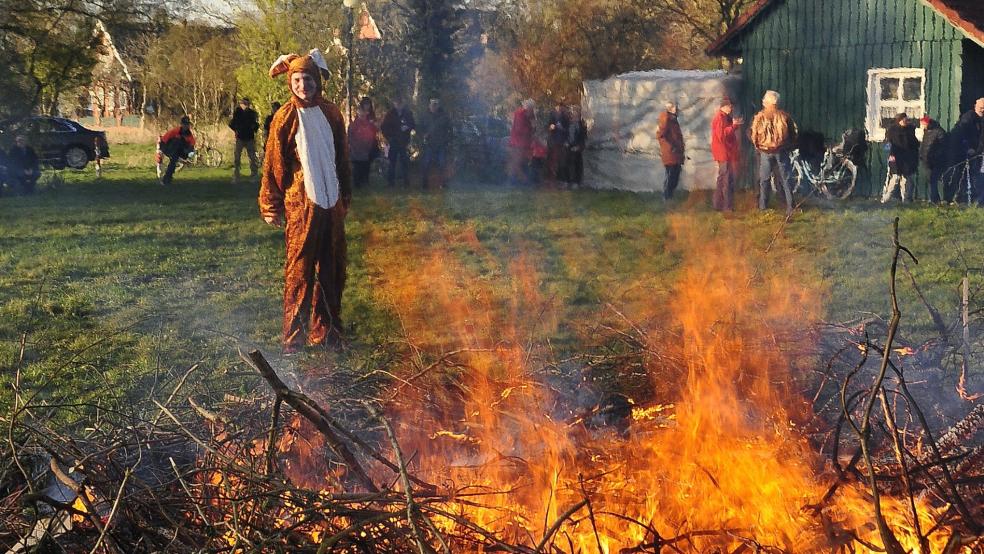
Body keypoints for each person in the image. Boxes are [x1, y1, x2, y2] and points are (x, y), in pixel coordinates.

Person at [260, 49, 352, 351]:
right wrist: (270, 204)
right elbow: (273, 164)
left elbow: (342, 159)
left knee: (332, 268)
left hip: (331, 204)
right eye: (297, 80)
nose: (303, 85)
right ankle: (294, 338)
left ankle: (327, 332)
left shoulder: (331, 113)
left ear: (317, 81)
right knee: (299, 272)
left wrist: (344, 198)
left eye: (308, 79)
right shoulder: (284, 117)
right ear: (290, 81)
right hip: (302, 205)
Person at [750, 90, 797, 215]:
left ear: (765, 103)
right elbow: (793, 134)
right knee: (785, 178)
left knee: (764, 179)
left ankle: (763, 206)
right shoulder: (784, 116)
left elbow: (753, 134)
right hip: (781, 151)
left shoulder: (759, 116)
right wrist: (788, 146)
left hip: (765, 151)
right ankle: (790, 206)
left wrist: (758, 147)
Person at [950, 97, 984, 204]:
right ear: (976, 107)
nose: (982, 110)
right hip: (967, 153)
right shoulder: (968, 118)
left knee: (976, 175)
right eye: (981, 107)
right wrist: (968, 148)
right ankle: (960, 198)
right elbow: (961, 134)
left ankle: (975, 200)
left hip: (978, 153)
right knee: (965, 175)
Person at [710, 98, 743, 211]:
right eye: (729, 106)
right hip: (724, 153)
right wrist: (733, 126)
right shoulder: (719, 118)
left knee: (722, 178)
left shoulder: (724, 117)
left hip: (725, 152)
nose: (731, 108)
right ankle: (726, 206)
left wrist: (735, 125)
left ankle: (718, 204)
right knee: (726, 179)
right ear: (723, 107)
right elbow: (722, 136)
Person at [881, 113, 919, 203]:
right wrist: (890, 155)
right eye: (903, 120)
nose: (905, 122)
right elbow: (887, 144)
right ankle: (886, 199)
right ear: (899, 121)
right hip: (896, 157)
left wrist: (914, 155)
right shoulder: (892, 130)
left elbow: (915, 144)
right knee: (895, 178)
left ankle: (906, 200)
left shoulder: (910, 130)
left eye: (906, 120)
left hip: (907, 159)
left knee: (906, 180)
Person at [380, 95, 415, 187]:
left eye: (400, 103)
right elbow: (384, 127)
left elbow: (413, 124)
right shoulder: (390, 114)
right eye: (397, 103)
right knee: (392, 162)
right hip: (394, 142)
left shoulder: (408, 113)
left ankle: (406, 182)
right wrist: (389, 137)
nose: (399, 105)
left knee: (405, 162)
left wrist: (408, 127)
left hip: (404, 142)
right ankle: (390, 183)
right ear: (394, 103)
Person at [418, 98, 452, 189]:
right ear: (429, 105)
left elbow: (450, 130)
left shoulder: (444, 116)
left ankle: (442, 183)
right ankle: (424, 184)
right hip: (429, 144)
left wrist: (447, 140)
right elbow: (419, 128)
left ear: (438, 105)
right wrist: (423, 135)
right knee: (426, 163)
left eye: (436, 105)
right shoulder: (424, 116)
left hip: (441, 144)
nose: (434, 106)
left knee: (442, 164)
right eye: (432, 104)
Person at [657, 101, 685, 200]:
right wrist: (670, 147)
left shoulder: (673, 120)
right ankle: (666, 197)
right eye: (675, 108)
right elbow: (661, 135)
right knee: (670, 175)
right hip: (670, 152)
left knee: (675, 174)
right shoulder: (666, 119)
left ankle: (670, 196)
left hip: (675, 152)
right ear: (670, 109)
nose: (678, 110)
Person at [157, 116, 196, 186]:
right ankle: (166, 179)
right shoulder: (175, 131)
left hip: (181, 152)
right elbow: (164, 139)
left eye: (187, 124)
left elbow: (191, 147)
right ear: (181, 124)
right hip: (168, 148)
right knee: (177, 141)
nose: (186, 126)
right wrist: (161, 150)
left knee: (173, 161)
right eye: (184, 124)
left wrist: (189, 155)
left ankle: (167, 179)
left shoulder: (190, 135)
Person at [229, 97, 260, 183]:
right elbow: (232, 123)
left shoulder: (252, 113)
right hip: (240, 137)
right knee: (237, 157)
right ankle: (236, 175)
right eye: (243, 104)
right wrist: (236, 130)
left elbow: (256, 124)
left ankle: (254, 175)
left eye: (246, 104)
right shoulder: (237, 113)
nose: (245, 105)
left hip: (249, 137)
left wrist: (253, 128)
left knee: (252, 157)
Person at [348, 102, 379, 188]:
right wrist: (353, 146)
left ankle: (365, 182)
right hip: (356, 150)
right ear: (358, 112)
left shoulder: (369, 124)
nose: (362, 113)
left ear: (367, 113)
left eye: (364, 111)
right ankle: (357, 184)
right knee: (357, 167)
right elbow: (350, 137)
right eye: (360, 111)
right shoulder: (354, 125)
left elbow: (373, 134)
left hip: (366, 150)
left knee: (366, 166)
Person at [918, 115, 947, 205]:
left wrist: (936, 156)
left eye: (924, 124)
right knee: (931, 180)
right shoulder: (926, 131)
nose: (923, 126)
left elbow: (943, 146)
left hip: (935, 160)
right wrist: (922, 155)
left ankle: (936, 199)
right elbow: (924, 145)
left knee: (933, 179)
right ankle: (935, 199)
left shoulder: (939, 131)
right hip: (926, 159)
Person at [508, 99, 536, 186]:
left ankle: (518, 181)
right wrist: (531, 128)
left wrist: (533, 128)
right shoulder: (520, 114)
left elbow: (534, 127)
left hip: (525, 144)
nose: (532, 110)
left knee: (521, 162)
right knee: (516, 163)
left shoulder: (530, 115)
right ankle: (520, 181)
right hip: (517, 143)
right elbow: (519, 129)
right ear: (528, 107)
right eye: (531, 108)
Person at [564, 105, 587, 188]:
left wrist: (579, 146)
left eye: (576, 111)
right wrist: (566, 142)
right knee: (566, 164)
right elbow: (565, 133)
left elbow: (583, 136)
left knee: (577, 164)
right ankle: (567, 181)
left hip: (577, 146)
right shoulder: (568, 122)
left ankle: (576, 182)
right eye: (573, 111)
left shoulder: (582, 123)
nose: (574, 113)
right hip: (568, 145)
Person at [546, 103, 569, 184]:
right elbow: (547, 127)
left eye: (560, 106)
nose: (559, 108)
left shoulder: (565, 117)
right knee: (552, 160)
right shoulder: (551, 115)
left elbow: (567, 130)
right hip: (553, 141)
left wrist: (562, 129)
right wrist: (551, 127)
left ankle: (560, 179)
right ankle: (551, 179)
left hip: (561, 141)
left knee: (561, 161)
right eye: (557, 106)